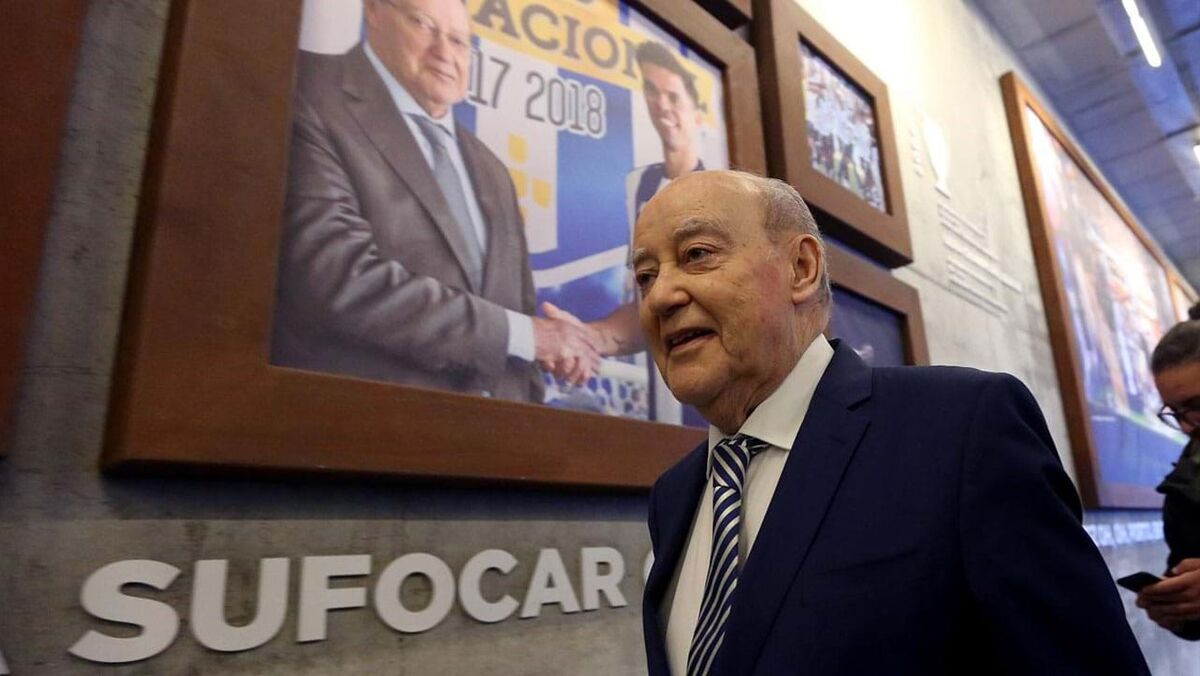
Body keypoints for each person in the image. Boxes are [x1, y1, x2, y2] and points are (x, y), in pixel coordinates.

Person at [635, 170, 1149, 674]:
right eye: (646, 277)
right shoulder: (673, 495)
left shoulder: (962, 429)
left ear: (801, 268)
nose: (660, 297)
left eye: (696, 254)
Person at [272, 0, 599, 403]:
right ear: (374, 11)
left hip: (497, 433)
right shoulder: (307, 88)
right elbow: (334, 276)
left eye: (460, 41)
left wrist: (536, 365)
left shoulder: (492, 169)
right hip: (358, 422)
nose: (445, 52)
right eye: (423, 24)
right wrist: (527, 336)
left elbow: (518, 317)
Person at [1136, 302, 1200, 639]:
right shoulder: (1185, 486)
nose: (1187, 426)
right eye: (1175, 412)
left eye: (1196, 406)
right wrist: (1179, 611)